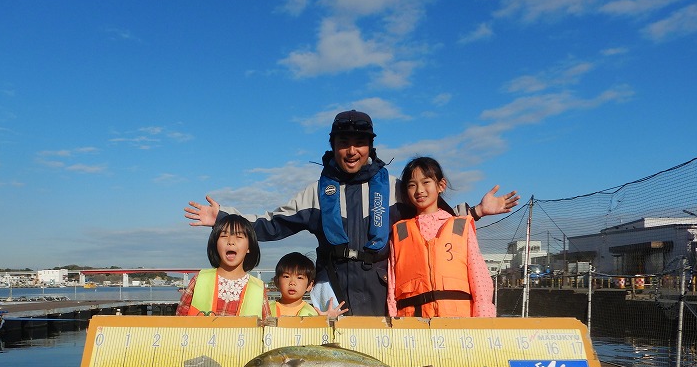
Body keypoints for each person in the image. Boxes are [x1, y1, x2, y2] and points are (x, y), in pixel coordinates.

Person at [185, 110, 518, 316]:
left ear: (370, 146)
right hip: (332, 290)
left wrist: (477, 211)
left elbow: (433, 215)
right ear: (333, 146)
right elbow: (270, 226)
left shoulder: (394, 188)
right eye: (344, 142)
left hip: (380, 290)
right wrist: (223, 218)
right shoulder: (315, 193)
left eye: (359, 142)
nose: (351, 150)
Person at [387, 157, 496, 318]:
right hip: (412, 324)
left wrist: (484, 320)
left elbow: (479, 277)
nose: (419, 190)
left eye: (426, 182)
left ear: (441, 185)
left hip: (457, 323)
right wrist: (392, 320)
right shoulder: (400, 231)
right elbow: (392, 282)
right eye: (412, 185)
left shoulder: (460, 226)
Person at [176, 214, 270, 317]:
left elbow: (267, 324)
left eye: (239, 236)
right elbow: (179, 318)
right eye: (224, 236)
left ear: (249, 247)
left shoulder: (258, 288)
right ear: (215, 244)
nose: (231, 242)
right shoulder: (199, 279)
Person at [270, 252, 348, 317]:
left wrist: (327, 320)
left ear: (310, 285)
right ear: (277, 281)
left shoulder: (312, 314)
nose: (292, 283)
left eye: (299, 278)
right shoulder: (266, 308)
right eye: (286, 276)